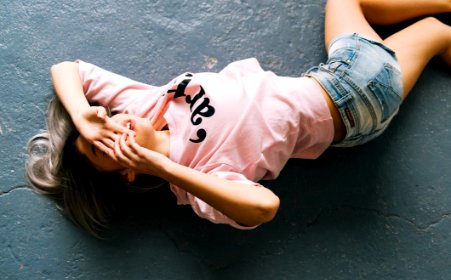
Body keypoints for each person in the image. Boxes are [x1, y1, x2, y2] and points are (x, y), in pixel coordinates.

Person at [26, 0, 451, 238]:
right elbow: (264, 207)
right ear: (128, 175)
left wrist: (84, 118)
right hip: (356, 101)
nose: (114, 126)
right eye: (103, 147)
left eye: (106, 123)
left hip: (332, 75)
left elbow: (68, 68)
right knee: (434, 30)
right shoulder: (195, 179)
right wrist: (161, 165)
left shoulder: (145, 106)